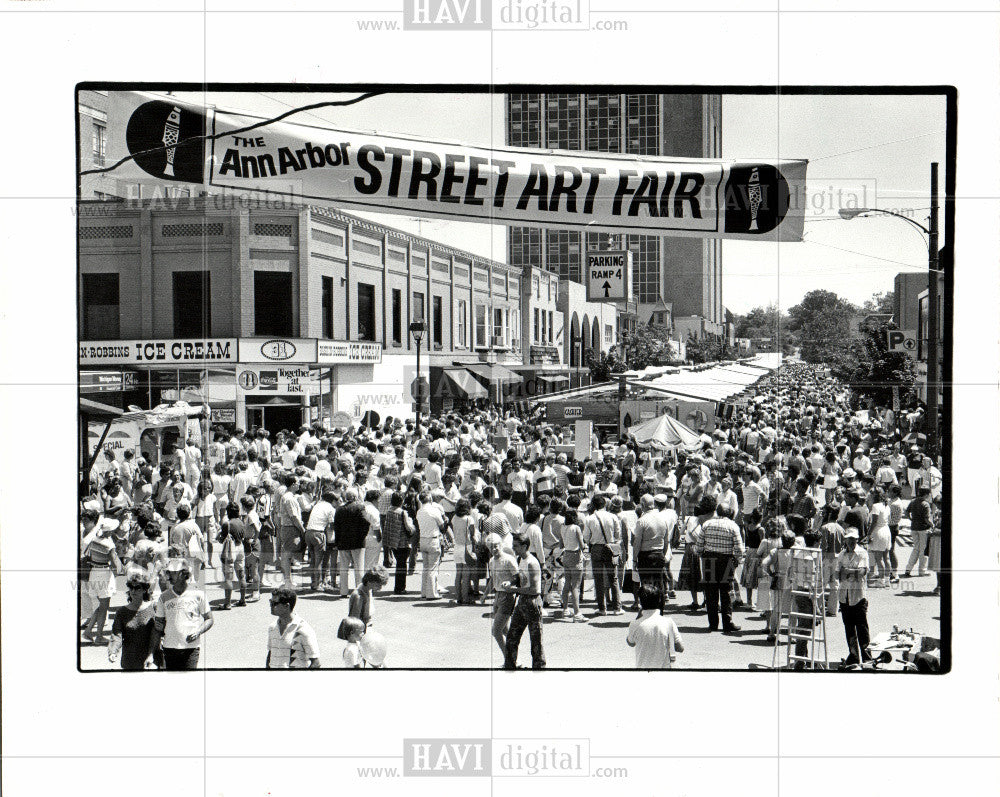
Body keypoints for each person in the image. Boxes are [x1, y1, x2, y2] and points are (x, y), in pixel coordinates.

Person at [152, 558, 213, 670]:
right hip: (169, 647)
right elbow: (158, 625)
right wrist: (155, 650)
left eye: (173, 572)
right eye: (168, 572)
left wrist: (198, 631)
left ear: (183, 574)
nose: (169, 575)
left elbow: (209, 619)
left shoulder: (198, 595)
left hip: (191, 648)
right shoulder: (164, 597)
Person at [696, 502, 744, 635]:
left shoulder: (707, 524)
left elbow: (699, 546)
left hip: (709, 560)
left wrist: (702, 555)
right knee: (726, 592)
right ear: (729, 513)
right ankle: (727, 623)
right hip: (726, 560)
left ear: (717, 512)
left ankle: (713, 624)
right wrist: (736, 561)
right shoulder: (733, 526)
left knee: (710, 592)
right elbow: (740, 549)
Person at [502, 532, 546, 670]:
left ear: (524, 546)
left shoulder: (532, 563)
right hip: (522, 601)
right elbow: (519, 579)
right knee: (512, 637)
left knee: (536, 641)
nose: (513, 548)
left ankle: (539, 669)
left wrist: (514, 590)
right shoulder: (521, 560)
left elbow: (534, 590)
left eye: (516, 546)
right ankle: (510, 666)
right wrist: (510, 582)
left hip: (532, 602)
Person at [834, 527, 872, 669]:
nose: (851, 542)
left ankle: (867, 657)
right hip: (845, 596)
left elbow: (861, 573)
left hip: (858, 596)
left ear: (856, 540)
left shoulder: (862, 553)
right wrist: (852, 572)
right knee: (849, 629)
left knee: (862, 628)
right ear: (846, 540)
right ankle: (854, 656)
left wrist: (847, 571)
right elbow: (837, 574)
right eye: (848, 539)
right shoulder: (842, 555)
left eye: (853, 539)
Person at [626, 585, 685, 669]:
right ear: (659, 600)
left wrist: (638, 617)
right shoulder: (668, 622)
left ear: (640, 601)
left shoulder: (635, 624)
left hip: (642, 671)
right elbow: (680, 648)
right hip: (664, 672)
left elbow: (630, 642)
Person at [583, 494, 624, 616]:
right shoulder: (613, 517)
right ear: (604, 504)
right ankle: (617, 607)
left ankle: (602, 608)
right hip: (610, 547)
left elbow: (586, 537)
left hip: (596, 548)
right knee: (613, 578)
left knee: (598, 579)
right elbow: (618, 535)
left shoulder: (589, 519)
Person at [108, 573, 156, 670]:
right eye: (131, 587)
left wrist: (153, 654)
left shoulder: (154, 608)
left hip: (150, 658)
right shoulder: (122, 611)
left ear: (144, 589)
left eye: (137, 587)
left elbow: (159, 634)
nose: (133, 591)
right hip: (129, 659)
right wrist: (113, 651)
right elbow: (117, 635)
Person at [265, 587, 321, 668]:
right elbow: (270, 654)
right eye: (270, 602)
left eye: (274, 603)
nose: (271, 606)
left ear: (286, 606)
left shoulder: (303, 629)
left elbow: (316, 663)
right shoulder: (272, 627)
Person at [484, 533, 519, 659]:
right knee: (504, 630)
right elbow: (493, 579)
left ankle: (509, 658)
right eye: (490, 547)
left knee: (496, 631)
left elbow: (518, 577)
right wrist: (484, 595)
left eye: (496, 546)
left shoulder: (509, 559)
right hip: (498, 596)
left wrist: (510, 582)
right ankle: (514, 655)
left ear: (501, 545)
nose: (494, 549)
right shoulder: (492, 561)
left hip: (508, 596)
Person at [334, 488, 369, 597]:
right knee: (359, 567)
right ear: (355, 497)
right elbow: (366, 523)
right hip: (357, 542)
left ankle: (343, 591)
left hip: (343, 542)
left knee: (344, 568)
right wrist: (362, 536)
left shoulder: (339, 510)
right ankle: (359, 591)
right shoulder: (360, 507)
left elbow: (337, 527)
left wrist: (337, 542)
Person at [415, 490, 449, 599]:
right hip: (433, 539)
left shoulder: (419, 511)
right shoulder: (434, 511)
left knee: (425, 567)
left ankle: (424, 592)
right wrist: (446, 521)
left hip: (423, 539)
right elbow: (442, 526)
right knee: (433, 568)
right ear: (429, 499)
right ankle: (432, 593)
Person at [383, 491, 416, 594]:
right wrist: (412, 524)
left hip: (393, 542)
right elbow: (408, 527)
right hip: (403, 542)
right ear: (401, 501)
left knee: (399, 564)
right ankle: (400, 588)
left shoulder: (389, 511)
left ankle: (398, 587)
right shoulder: (402, 512)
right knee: (402, 566)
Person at [559, 507, 587, 622]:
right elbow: (582, 545)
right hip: (575, 556)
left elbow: (561, 545)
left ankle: (565, 609)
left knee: (567, 584)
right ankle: (577, 613)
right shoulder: (576, 528)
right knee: (576, 586)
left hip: (566, 555)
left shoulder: (562, 527)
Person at [217, 503, 247, 609]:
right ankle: (242, 599)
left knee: (228, 578)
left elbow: (221, 540)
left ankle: (227, 603)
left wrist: (218, 536)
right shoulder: (242, 522)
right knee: (241, 575)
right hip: (240, 548)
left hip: (230, 550)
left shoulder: (227, 524)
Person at [305, 489, 336, 591]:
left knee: (313, 560)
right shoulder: (330, 508)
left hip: (309, 532)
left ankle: (313, 582)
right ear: (332, 500)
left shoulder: (317, 505)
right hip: (318, 533)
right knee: (319, 561)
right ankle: (318, 584)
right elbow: (332, 526)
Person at [903, 486, 933, 578]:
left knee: (916, 548)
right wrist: (932, 525)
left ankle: (908, 569)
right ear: (927, 494)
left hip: (914, 528)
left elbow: (906, 512)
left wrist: (911, 519)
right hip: (923, 528)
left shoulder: (913, 501)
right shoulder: (926, 504)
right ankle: (922, 571)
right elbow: (927, 518)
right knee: (923, 550)